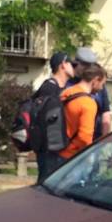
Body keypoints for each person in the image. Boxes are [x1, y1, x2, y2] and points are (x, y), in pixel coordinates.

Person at [33, 51, 74, 182]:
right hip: (48, 149)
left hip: (57, 148)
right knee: (46, 184)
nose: (74, 67)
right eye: (71, 64)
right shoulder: (49, 88)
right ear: (63, 65)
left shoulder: (64, 89)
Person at [59, 65, 106, 162]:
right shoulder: (88, 103)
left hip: (56, 149)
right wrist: (88, 157)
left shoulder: (66, 93)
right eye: (102, 84)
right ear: (95, 80)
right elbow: (85, 137)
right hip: (71, 156)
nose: (102, 88)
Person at [71, 46, 112, 140]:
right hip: (74, 140)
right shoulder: (68, 84)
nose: (88, 69)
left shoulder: (99, 85)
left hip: (95, 139)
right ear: (76, 64)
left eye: (90, 66)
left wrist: (105, 139)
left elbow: (106, 113)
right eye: (85, 65)